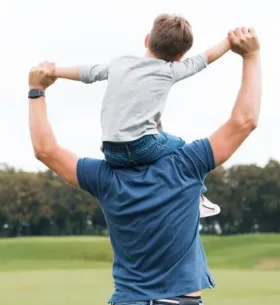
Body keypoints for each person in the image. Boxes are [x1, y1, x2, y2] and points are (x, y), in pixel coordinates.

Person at [27, 26, 261, 305]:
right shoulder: (187, 164)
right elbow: (244, 121)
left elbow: (46, 150)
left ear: (146, 42)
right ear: (157, 130)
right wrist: (249, 56)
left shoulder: (105, 177)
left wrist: (36, 90)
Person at [51, 14, 233, 218]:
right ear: (180, 56)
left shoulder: (121, 63)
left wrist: (54, 71)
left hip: (111, 151)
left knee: (158, 129)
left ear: (147, 39)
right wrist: (229, 41)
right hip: (143, 147)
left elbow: (88, 72)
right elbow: (204, 59)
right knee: (180, 145)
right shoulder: (171, 70)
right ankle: (199, 198)